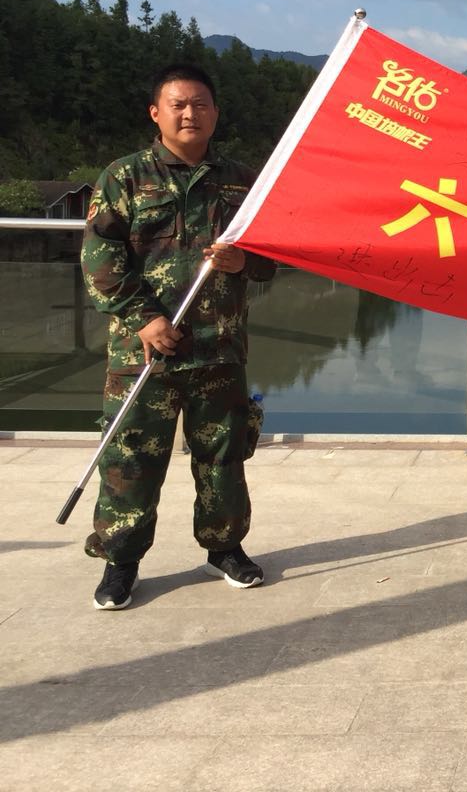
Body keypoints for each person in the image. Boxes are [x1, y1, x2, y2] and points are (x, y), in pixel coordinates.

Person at [83, 63, 276, 611]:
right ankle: (121, 561)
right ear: (156, 113)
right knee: (131, 459)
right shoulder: (124, 177)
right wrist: (144, 318)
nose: (190, 113)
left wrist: (244, 262)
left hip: (219, 349)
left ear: (216, 112)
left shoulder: (242, 181)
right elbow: (100, 260)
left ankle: (225, 548)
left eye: (201, 104)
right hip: (145, 352)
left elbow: (270, 261)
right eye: (178, 104)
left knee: (223, 457)